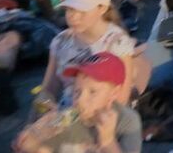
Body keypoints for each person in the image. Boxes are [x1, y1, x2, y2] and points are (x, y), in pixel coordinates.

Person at [36, 0, 143, 112]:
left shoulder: (116, 42)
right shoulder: (60, 41)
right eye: (70, 10)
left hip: (104, 113)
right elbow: (49, 87)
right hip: (67, 113)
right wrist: (44, 106)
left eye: (82, 11)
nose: (74, 17)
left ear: (102, 8)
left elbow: (121, 97)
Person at [15, 52, 143, 153]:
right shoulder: (66, 117)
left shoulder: (127, 120)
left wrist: (108, 141)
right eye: (77, 91)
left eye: (92, 92)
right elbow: (36, 145)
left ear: (113, 93)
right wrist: (31, 138)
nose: (80, 100)